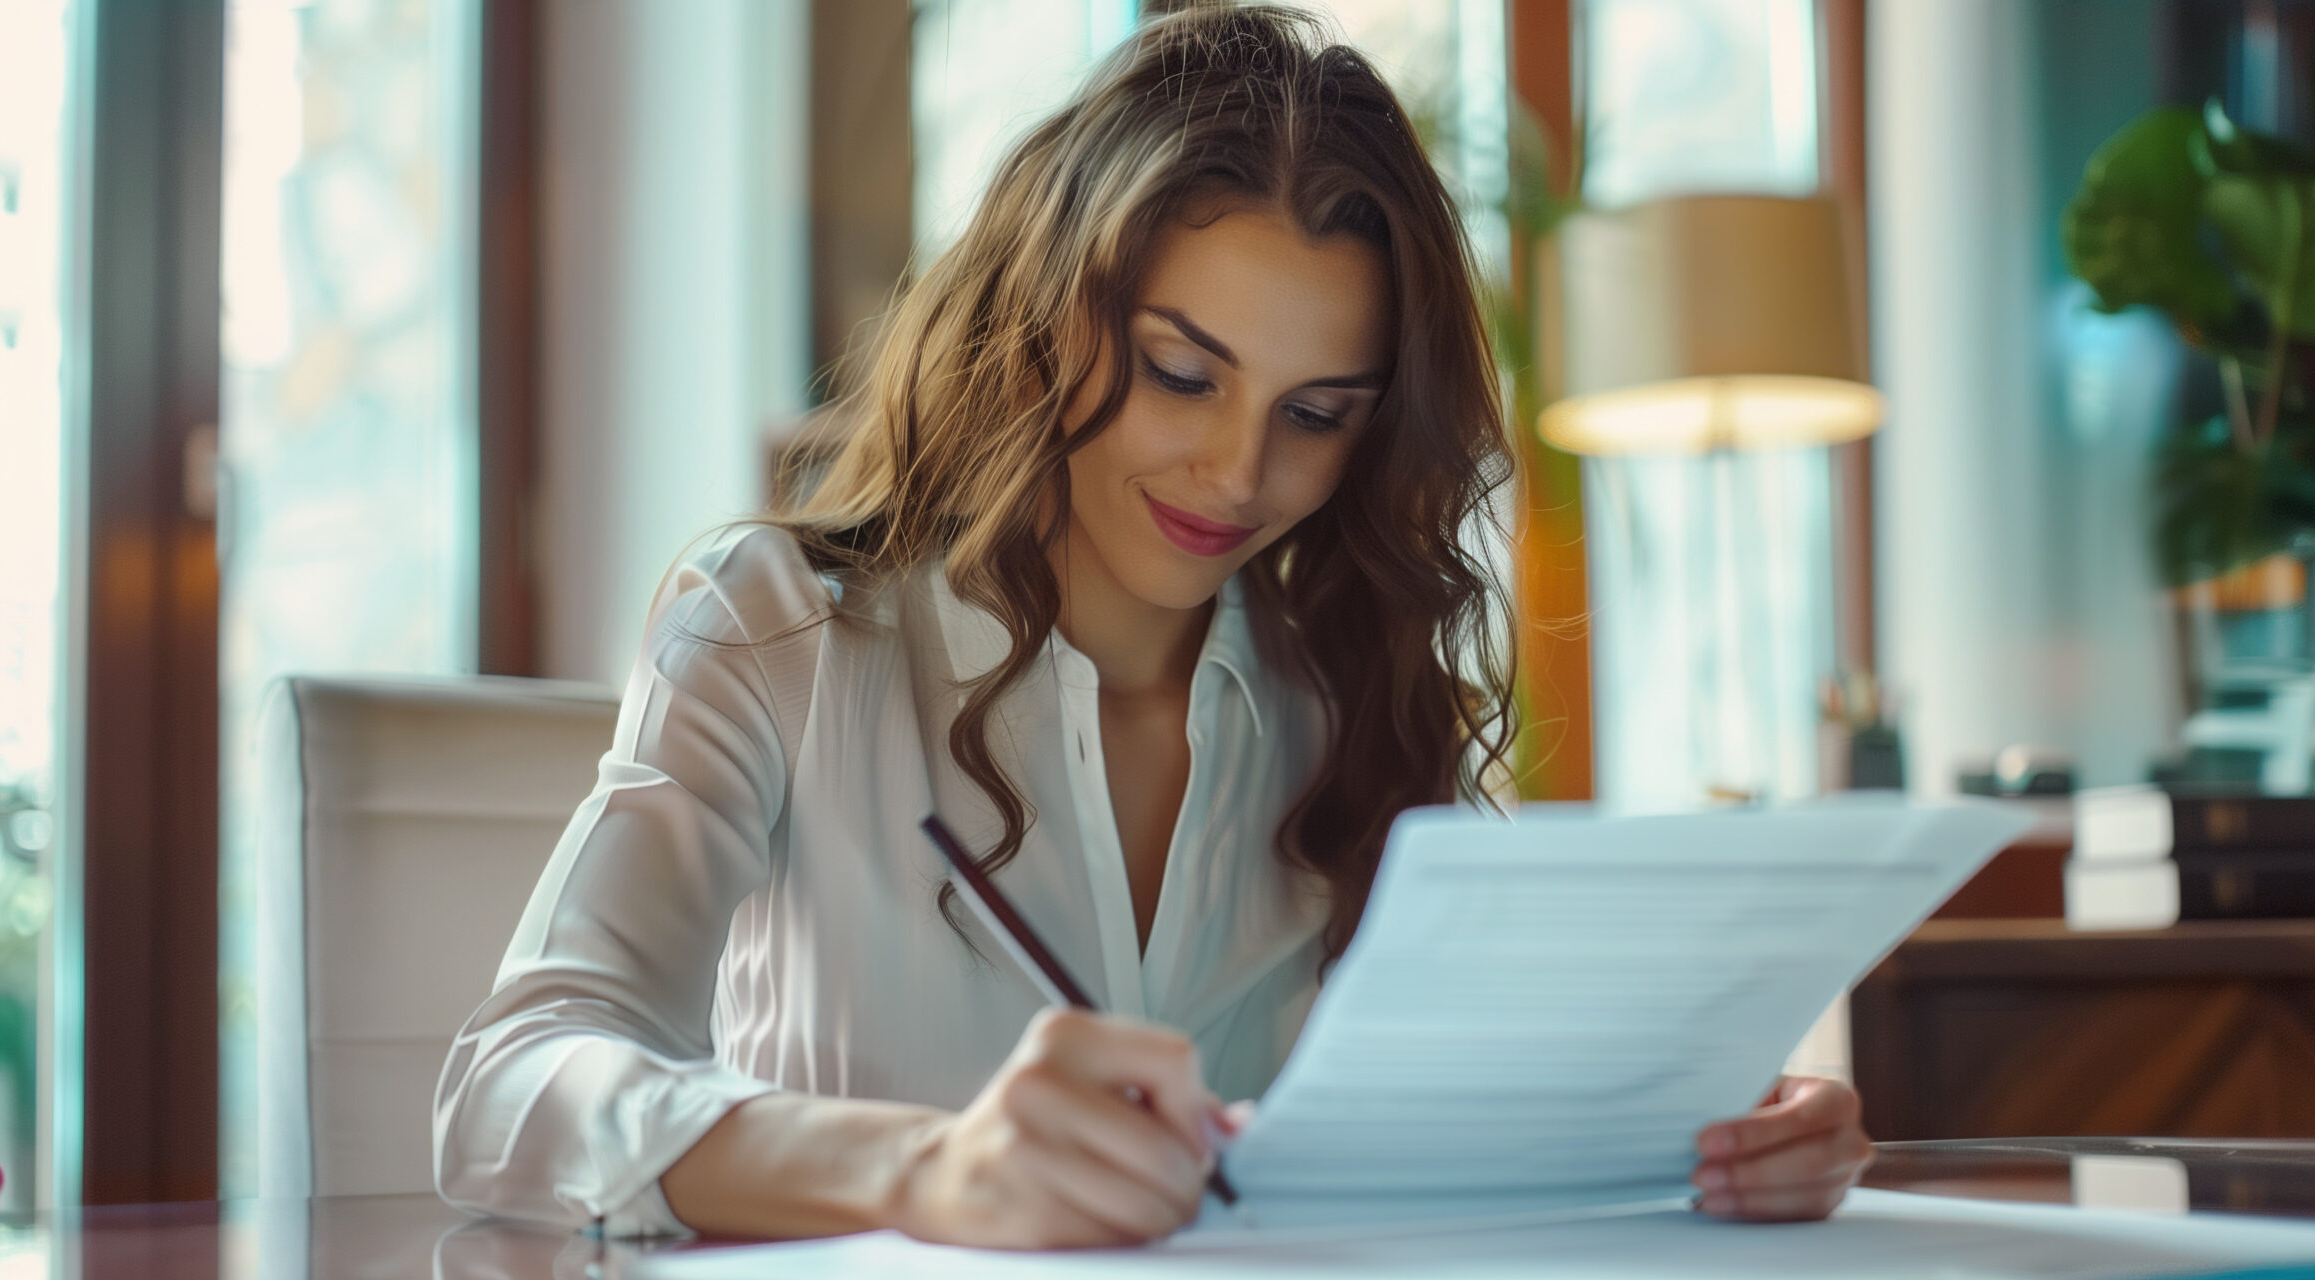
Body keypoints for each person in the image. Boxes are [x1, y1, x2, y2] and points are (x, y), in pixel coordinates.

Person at [433, 3, 1872, 1249]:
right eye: (1184, 374)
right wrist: (919, 1168)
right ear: (1049, 313)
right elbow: (509, 1086)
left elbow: (1459, 1129)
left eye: (1316, 416)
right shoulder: (774, 631)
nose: (1241, 474)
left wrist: (1710, 1135)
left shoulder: (1347, 701)